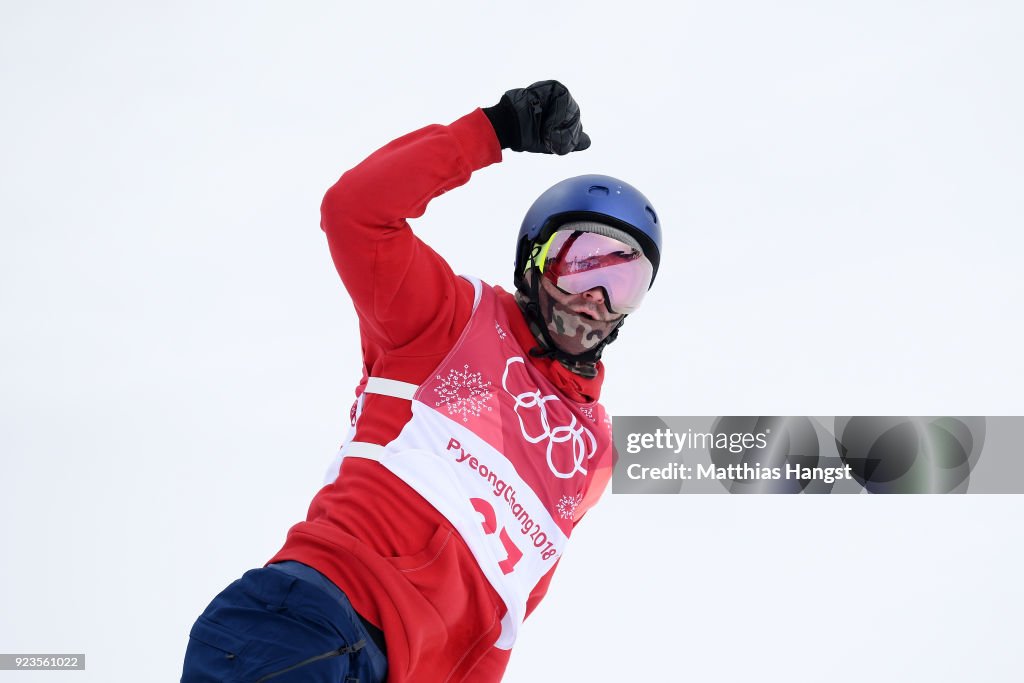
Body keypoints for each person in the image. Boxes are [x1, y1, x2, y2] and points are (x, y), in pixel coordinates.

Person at [181, 80, 663, 683]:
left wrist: (808, 453)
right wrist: (492, 131)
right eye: (579, 263)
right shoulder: (451, 318)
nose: (594, 299)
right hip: (315, 621)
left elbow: (504, 612)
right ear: (533, 259)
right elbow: (356, 211)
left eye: (623, 283)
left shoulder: (592, 451)